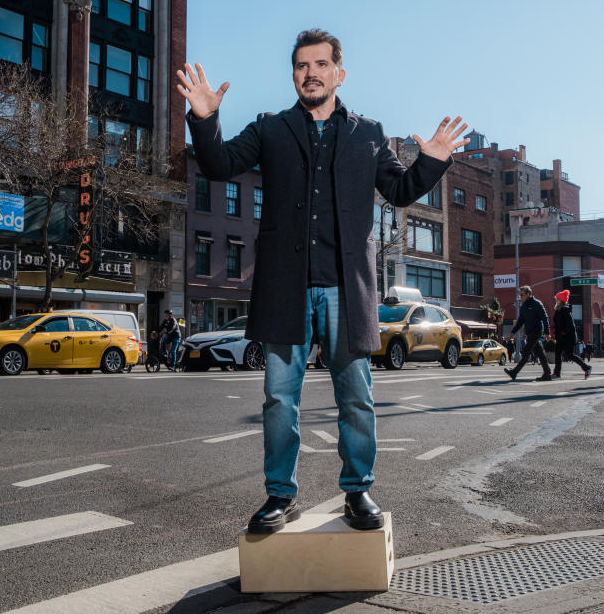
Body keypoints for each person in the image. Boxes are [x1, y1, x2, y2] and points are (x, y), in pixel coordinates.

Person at [179, 29, 468, 534]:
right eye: (300, 66)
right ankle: (279, 496)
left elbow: (399, 190)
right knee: (278, 398)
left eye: (319, 64)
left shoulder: (367, 132)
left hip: (344, 288)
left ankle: (358, 491)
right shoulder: (271, 128)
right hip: (283, 288)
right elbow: (219, 164)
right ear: (294, 74)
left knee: (355, 394)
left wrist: (434, 160)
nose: (309, 73)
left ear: (339, 72)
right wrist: (205, 119)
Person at [504, 285, 551, 381]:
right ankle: (547, 373)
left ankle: (514, 372)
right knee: (540, 353)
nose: (520, 297)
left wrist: (547, 332)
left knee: (526, 352)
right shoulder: (524, 306)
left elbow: (545, 318)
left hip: (536, 331)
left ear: (529, 294)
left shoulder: (537, 304)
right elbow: (520, 320)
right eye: (520, 295)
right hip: (529, 332)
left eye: (522, 295)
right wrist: (513, 331)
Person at [552, 290, 591, 379]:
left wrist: (563, 332)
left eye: (557, 299)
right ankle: (557, 373)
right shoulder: (559, 309)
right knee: (558, 354)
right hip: (560, 337)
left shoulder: (565, 310)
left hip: (568, 337)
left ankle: (587, 368)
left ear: (561, 300)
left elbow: (570, 325)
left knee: (570, 355)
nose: (555, 300)